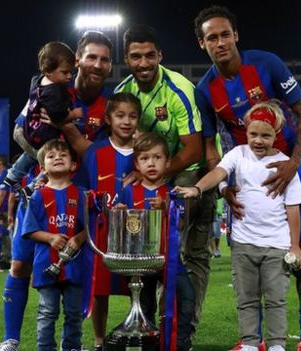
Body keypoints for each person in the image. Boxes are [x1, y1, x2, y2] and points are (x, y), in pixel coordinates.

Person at [194, 6, 301, 351]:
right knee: (247, 253)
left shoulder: (266, 64)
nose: (219, 42)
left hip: (289, 166)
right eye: (211, 38)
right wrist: (223, 185)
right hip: (245, 175)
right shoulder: (205, 90)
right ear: (201, 44)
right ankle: (255, 339)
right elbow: (209, 145)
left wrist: (293, 163)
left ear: (235, 35)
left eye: (224, 34)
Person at [0, 31, 115, 351]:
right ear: (77, 60)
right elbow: (20, 132)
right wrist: (44, 164)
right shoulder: (51, 89)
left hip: (80, 198)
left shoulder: (111, 104)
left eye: (104, 59)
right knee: (20, 264)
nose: (97, 64)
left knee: (81, 271)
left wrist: (67, 132)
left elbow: (101, 155)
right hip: (42, 191)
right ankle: (11, 338)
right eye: (91, 56)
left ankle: (90, 341)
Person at [175, 101, 301, 351]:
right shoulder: (238, 154)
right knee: (246, 298)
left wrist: (295, 246)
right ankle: (249, 343)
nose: (258, 140)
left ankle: (277, 344)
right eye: (253, 134)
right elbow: (219, 173)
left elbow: (293, 208)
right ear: (245, 132)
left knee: (276, 299)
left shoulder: (285, 164)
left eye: (265, 135)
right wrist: (197, 188)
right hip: (244, 244)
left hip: (276, 245)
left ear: (276, 134)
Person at [114, 25, 213, 338]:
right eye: (135, 57)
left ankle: (184, 331)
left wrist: (156, 175)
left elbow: (194, 148)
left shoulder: (179, 88)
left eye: (149, 56)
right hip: (152, 174)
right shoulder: (123, 94)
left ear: (160, 55)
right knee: (144, 251)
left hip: (191, 171)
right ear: (126, 59)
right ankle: (148, 327)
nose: (143, 63)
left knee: (192, 255)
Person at [72, 92, 140, 350]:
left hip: (136, 232)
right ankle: (99, 340)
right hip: (101, 231)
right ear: (109, 119)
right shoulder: (96, 152)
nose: (126, 121)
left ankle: (141, 331)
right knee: (100, 287)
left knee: (139, 283)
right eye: (120, 115)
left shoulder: (145, 151)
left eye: (132, 116)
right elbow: (80, 189)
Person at [117, 132, 196, 351]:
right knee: (144, 305)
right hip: (140, 262)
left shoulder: (175, 194)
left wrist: (167, 209)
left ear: (167, 161)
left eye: (157, 157)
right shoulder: (127, 193)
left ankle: (179, 344)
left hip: (169, 259)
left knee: (187, 297)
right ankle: (149, 343)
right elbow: (118, 227)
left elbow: (181, 226)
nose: (151, 163)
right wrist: (120, 215)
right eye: (144, 158)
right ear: (137, 163)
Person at [21, 139, 89, 351]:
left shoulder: (81, 195)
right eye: (51, 156)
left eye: (63, 155)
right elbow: (29, 230)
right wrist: (50, 238)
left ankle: (71, 347)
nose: (57, 157)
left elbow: (91, 227)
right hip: (46, 265)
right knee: (47, 312)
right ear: (42, 168)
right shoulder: (37, 196)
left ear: (73, 165)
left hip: (75, 265)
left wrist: (79, 238)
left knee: (74, 313)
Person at [3, 41, 81, 198]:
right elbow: (58, 116)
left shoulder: (38, 79)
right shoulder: (54, 91)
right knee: (54, 158)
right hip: (30, 132)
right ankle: (31, 187)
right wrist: (74, 115)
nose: (69, 76)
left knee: (36, 153)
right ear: (48, 71)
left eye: (71, 71)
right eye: (65, 72)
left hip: (22, 127)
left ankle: (13, 177)